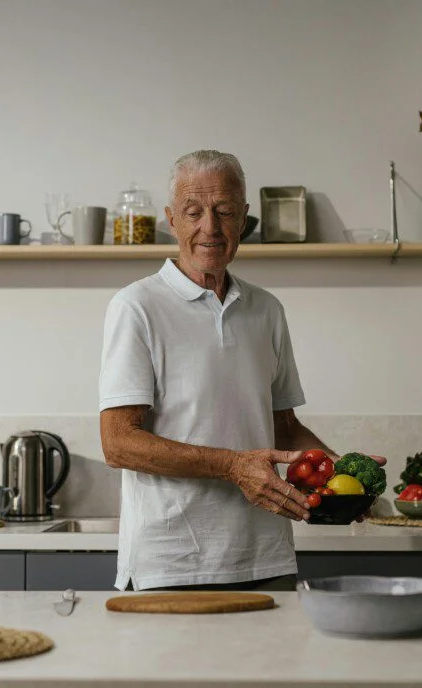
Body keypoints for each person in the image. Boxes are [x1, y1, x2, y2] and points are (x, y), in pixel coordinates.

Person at [99, 150, 381, 592]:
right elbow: (118, 443)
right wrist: (233, 466)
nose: (209, 227)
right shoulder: (136, 307)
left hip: (267, 559)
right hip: (171, 565)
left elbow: (283, 428)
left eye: (224, 211)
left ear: (244, 219)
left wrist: (344, 475)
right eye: (194, 212)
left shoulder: (267, 309)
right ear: (172, 219)